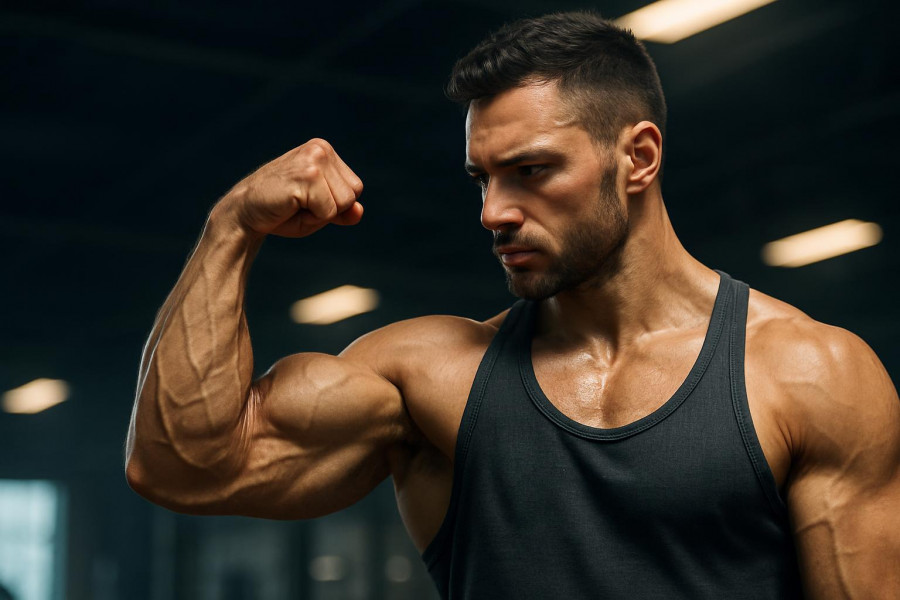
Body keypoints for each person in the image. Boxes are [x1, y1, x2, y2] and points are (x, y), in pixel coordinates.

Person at [125, 11, 900, 599]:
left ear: (637, 158)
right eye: (482, 179)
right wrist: (231, 226)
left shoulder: (809, 374)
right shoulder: (429, 378)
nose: (494, 212)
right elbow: (182, 468)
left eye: (531, 170)